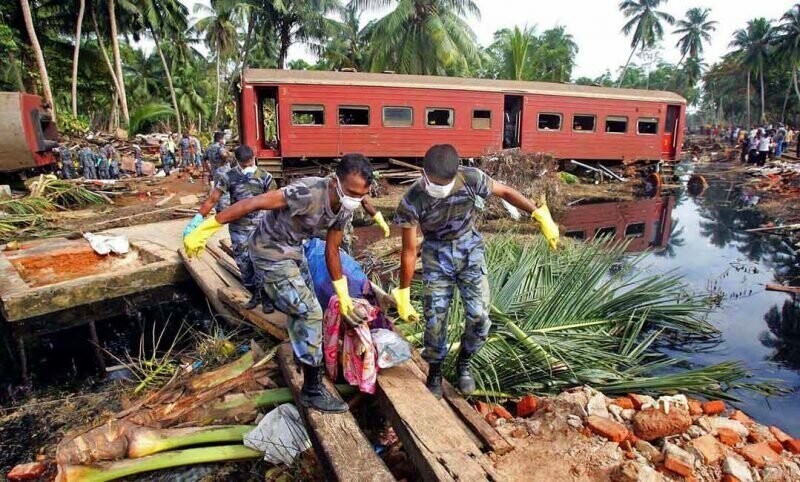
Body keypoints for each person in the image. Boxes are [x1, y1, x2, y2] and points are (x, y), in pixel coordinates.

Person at [185, 154, 374, 413]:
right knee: (310, 312)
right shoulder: (307, 192)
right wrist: (207, 227)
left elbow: (332, 251)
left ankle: (304, 353)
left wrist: (342, 295)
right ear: (334, 181)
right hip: (269, 251)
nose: (354, 198)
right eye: (351, 191)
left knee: (308, 304)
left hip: (295, 250)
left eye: (361, 194)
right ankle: (311, 390)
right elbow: (253, 203)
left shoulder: (344, 208)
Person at [391, 144, 559, 398]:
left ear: (454, 173)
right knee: (435, 320)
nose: (437, 188)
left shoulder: (471, 178)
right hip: (436, 256)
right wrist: (403, 292)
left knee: (480, 317)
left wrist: (538, 214)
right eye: (432, 183)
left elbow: (505, 191)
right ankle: (434, 371)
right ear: (423, 174)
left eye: (442, 184)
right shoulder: (412, 199)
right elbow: (408, 249)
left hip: (470, 251)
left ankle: (464, 363)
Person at [186, 145, 277, 313]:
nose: (248, 167)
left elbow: (274, 201)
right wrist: (198, 219)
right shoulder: (228, 177)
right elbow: (213, 199)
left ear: (254, 158)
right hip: (239, 228)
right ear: (237, 162)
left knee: (262, 262)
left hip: (261, 227)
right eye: (244, 165)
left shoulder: (265, 177)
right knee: (244, 263)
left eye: (250, 163)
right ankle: (254, 294)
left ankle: (266, 297)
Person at [203, 132, 231, 212]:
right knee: (225, 190)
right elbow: (224, 155)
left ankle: (218, 208)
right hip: (224, 171)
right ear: (221, 139)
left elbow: (204, 160)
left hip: (215, 172)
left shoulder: (209, 148)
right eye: (223, 138)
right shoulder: (220, 147)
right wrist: (226, 158)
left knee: (217, 189)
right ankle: (224, 209)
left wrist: (209, 170)